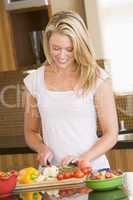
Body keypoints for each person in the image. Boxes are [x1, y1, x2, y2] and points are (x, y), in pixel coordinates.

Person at [24, 10, 118, 170]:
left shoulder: (97, 78)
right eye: (56, 48)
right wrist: (41, 148)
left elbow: (110, 134)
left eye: (69, 49)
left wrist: (83, 158)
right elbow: (31, 131)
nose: (61, 55)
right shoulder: (34, 81)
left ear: (80, 46)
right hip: (53, 173)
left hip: (91, 170)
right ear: (47, 43)